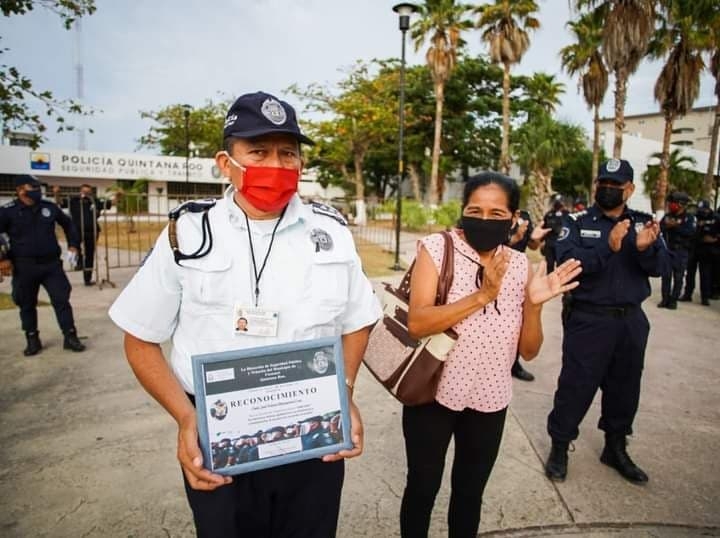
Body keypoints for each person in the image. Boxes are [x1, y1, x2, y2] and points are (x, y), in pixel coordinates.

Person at [108, 91, 381, 538]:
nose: (275, 164)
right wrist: (184, 418)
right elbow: (140, 339)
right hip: (219, 439)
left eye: (287, 153)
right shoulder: (189, 232)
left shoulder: (330, 233)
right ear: (225, 162)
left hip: (313, 432)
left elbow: (358, 320)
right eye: (259, 151)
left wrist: (345, 391)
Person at [400, 172, 582, 538]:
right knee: (423, 487)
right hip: (432, 394)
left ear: (514, 219)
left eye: (497, 214)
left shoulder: (519, 265)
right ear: (462, 211)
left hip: (489, 400)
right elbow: (418, 323)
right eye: (475, 210)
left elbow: (528, 352)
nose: (485, 220)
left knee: (469, 495)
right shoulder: (436, 250)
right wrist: (483, 295)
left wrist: (533, 306)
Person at [545, 158, 672, 485]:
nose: (608, 190)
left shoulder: (643, 224)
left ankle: (615, 447)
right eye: (603, 183)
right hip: (589, 319)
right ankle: (560, 445)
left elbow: (661, 267)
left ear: (629, 189)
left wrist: (644, 250)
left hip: (630, 321)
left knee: (625, 386)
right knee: (576, 385)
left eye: (616, 185)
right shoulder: (575, 221)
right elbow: (567, 261)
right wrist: (609, 246)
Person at [0, 175, 87, 355]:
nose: (37, 190)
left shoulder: (48, 207)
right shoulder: (8, 211)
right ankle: (32, 338)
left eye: (38, 187)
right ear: (20, 190)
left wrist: (73, 245)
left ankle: (70, 336)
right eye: (32, 187)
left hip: (51, 265)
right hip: (24, 266)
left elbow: (68, 224)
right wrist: (2, 258)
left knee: (61, 299)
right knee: (26, 303)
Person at [507, 209, 548, 382]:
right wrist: (513, 239)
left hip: (517, 273)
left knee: (519, 321)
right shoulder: (498, 213)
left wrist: (535, 239)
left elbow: (532, 246)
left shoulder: (526, 217)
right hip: (495, 267)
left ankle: (514, 364)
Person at [57, 184, 113, 286]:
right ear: (80, 191)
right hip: (76, 230)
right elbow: (60, 203)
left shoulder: (94, 201)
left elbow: (109, 204)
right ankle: (78, 262)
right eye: (84, 192)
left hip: (92, 230)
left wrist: (118, 197)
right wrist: (57, 193)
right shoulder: (74, 200)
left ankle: (87, 278)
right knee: (74, 247)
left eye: (88, 192)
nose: (86, 194)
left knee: (90, 254)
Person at [658, 191, 695, 310]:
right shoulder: (668, 216)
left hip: (681, 251)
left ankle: (673, 301)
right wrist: (667, 226)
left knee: (678, 277)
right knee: (666, 276)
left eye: (673, 202)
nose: (671, 205)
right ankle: (665, 299)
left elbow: (691, 232)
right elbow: (660, 228)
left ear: (681, 204)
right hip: (668, 250)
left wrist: (676, 226)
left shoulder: (689, 218)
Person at [692, 200, 720, 306]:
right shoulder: (696, 217)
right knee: (694, 273)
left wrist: (715, 239)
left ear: (708, 209)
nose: (702, 212)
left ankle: (707, 296)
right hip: (698, 248)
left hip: (713, 250)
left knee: (709, 274)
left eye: (704, 210)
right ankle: (688, 294)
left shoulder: (716, 218)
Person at [540, 194, 569, 271]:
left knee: (562, 266)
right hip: (550, 244)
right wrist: (542, 242)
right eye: (557, 202)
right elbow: (544, 228)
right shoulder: (549, 215)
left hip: (562, 244)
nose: (558, 204)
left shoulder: (567, 214)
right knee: (549, 265)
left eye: (560, 202)